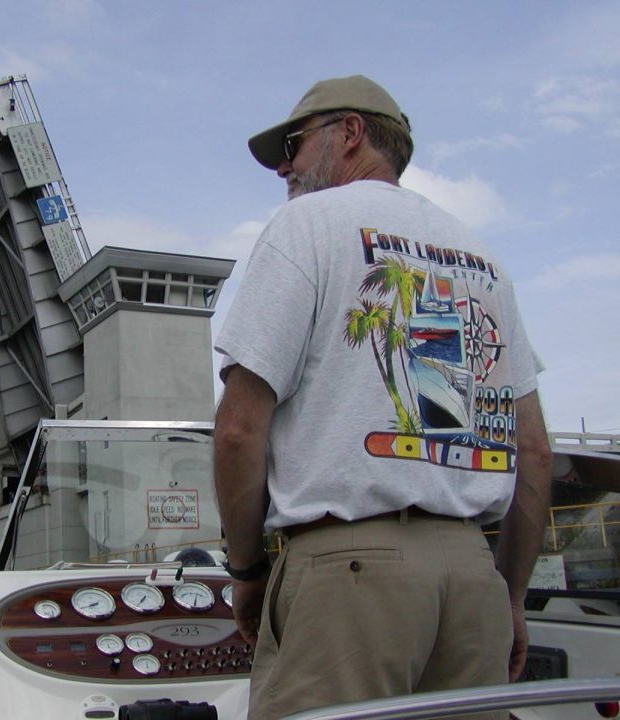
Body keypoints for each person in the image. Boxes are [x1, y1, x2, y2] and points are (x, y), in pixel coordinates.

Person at [212, 75, 552, 719]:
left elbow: (238, 431)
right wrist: (505, 598)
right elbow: (531, 449)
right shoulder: (481, 258)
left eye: (292, 144)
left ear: (350, 132)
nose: (284, 165)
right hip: (470, 574)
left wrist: (248, 569)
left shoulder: (307, 227)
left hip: (349, 576)